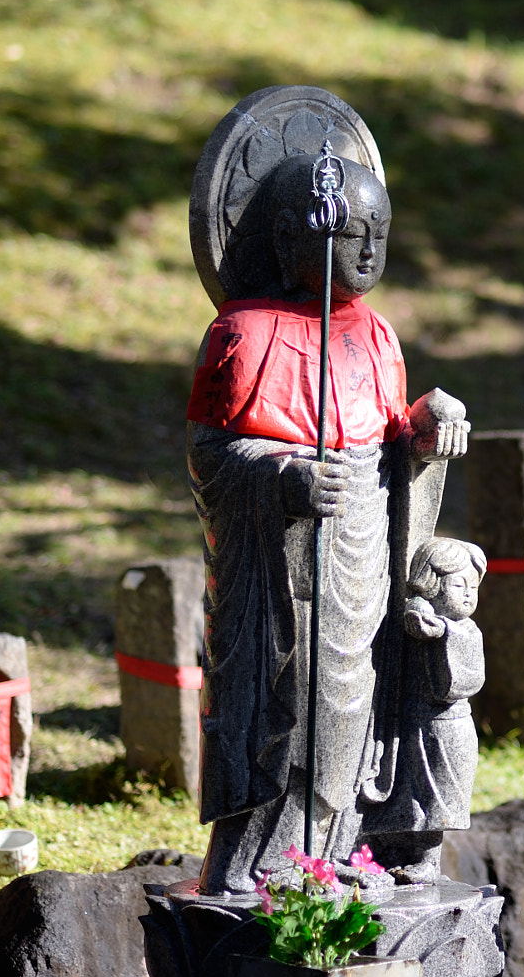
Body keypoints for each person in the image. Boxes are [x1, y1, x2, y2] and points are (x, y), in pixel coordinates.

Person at [186, 150, 469, 895]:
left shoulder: (376, 335)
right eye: (351, 232)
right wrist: (283, 474)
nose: (371, 250)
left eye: (381, 231)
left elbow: (386, 439)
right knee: (292, 702)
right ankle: (256, 861)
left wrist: (428, 428)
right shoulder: (243, 333)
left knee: (357, 701)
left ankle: (338, 844)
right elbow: (211, 454)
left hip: (363, 550)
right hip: (283, 569)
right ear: (287, 236)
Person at [367, 537, 488, 882]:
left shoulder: (466, 631)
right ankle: (391, 848)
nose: (468, 594)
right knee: (408, 790)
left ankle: (428, 860)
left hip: (449, 728)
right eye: (458, 584)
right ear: (432, 584)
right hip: (409, 724)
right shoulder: (415, 618)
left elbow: (465, 681)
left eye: (473, 587)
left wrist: (442, 633)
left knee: (439, 798)